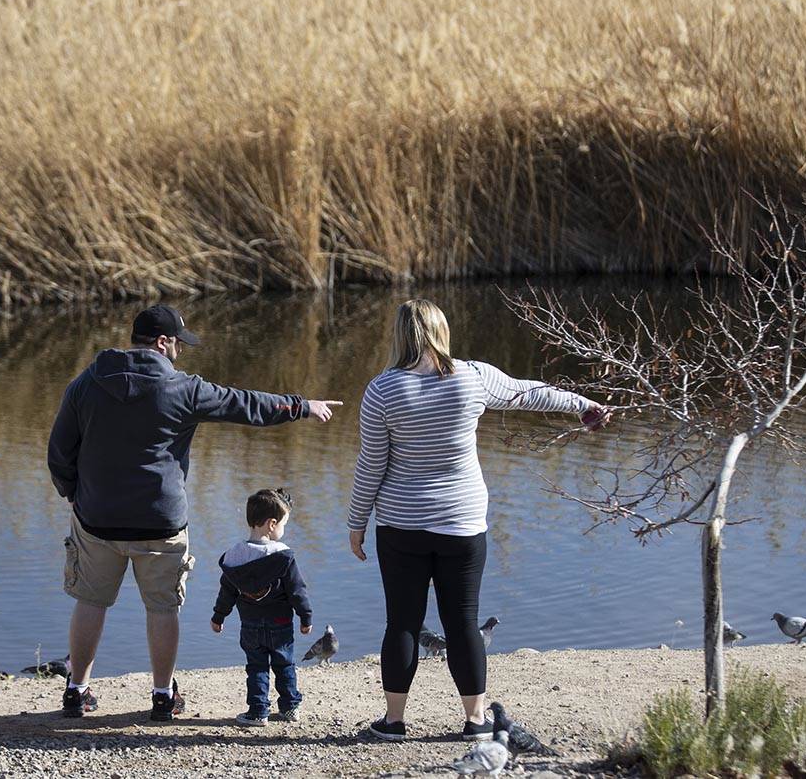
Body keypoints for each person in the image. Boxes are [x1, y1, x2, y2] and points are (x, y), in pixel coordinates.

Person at [47, 304, 340, 721]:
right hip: (160, 522)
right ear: (163, 343)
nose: (181, 352)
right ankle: (163, 697)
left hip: (97, 519)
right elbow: (245, 404)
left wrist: (72, 493)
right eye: (179, 344)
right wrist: (301, 406)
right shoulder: (183, 389)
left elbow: (59, 451)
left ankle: (76, 692)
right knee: (162, 608)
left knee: (91, 601)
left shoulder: (86, 383)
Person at [346, 299, 609, 742]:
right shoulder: (472, 378)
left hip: (401, 525)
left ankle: (393, 722)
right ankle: (475, 721)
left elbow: (371, 464)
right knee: (463, 622)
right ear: (441, 331)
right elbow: (531, 393)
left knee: (403, 622)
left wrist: (356, 524)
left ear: (400, 336)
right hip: (462, 524)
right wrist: (582, 404)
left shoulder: (382, 390)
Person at [211, 488, 313, 727]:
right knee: (284, 664)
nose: (284, 530)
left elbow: (226, 592)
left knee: (256, 667)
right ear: (271, 524)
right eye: (284, 524)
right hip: (280, 624)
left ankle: (258, 711)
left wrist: (219, 616)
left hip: (250, 625)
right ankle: (289, 707)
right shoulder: (283, 557)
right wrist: (305, 617)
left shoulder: (234, 557)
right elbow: (297, 590)